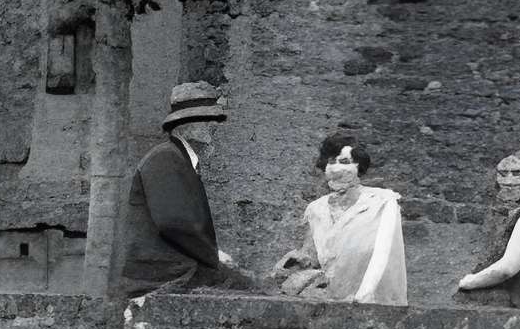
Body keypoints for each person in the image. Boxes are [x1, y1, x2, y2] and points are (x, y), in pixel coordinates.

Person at [112, 81, 264, 299]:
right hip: (162, 276)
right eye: (208, 120)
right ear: (187, 125)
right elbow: (174, 224)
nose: (214, 126)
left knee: (247, 284)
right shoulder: (165, 158)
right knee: (248, 292)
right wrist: (215, 257)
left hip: (177, 270)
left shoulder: (181, 159)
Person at [275, 133, 407, 307]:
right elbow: (312, 258)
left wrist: (362, 297)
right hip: (330, 301)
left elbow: (383, 255)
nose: (336, 168)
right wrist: (296, 262)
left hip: (373, 301)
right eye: (331, 162)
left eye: (345, 162)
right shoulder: (315, 209)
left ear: (359, 167)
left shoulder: (382, 202)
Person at [457, 144, 520, 304]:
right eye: (503, 173)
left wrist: (468, 282)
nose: (509, 180)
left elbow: (506, 269)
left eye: (518, 173)